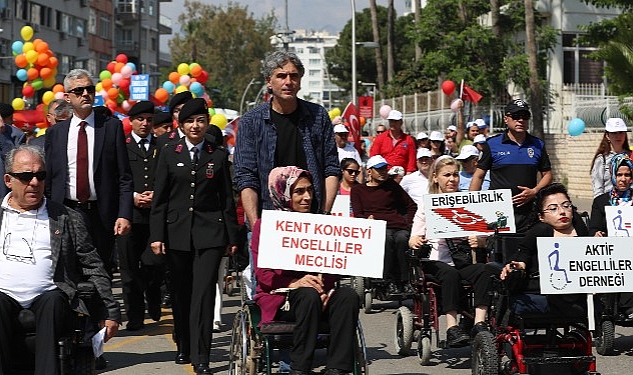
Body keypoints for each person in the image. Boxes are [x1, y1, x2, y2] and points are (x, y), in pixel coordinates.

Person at [0, 145, 120, 375]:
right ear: (8, 179)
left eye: (40, 175)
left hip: (49, 296)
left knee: (54, 301)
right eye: (26, 176)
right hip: (3, 296)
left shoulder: (65, 217)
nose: (34, 182)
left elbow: (92, 264)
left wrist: (109, 312)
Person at [149, 98, 239, 374]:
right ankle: (184, 344)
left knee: (202, 295)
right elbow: (160, 199)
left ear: (207, 122)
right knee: (181, 294)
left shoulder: (218, 154)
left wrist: (232, 238)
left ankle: (202, 356)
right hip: (176, 233)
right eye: (190, 121)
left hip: (210, 234)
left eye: (200, 120)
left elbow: (226, 200)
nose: (195, 126)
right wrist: (157, 235)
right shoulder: (168, 151)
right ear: (181, 125)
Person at [252, 166, 360, 375]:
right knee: (307, 295)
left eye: (310, 190)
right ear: (283, 193)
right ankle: (300, 368)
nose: (307, 197)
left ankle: (337, 367)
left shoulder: (320, 224)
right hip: (282, 296)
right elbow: (263, 276)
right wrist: (294, 283)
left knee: (347, 296)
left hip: (318, 294)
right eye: (299, 191)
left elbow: (331, 269)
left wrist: (324, 290)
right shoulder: (265, 227)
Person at [44, 69, 133, 279]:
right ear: (67, 97)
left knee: (100, 273)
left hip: (101, 214)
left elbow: (124, 176)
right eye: (79, 90)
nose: (85, 94)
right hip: (66, 211)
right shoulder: (56, 133)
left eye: (89, 89)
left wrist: (124, 213)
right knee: (68, 271)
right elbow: (50, 178)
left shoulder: (111, 127)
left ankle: (99, 311)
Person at [235, 50, 340, 226]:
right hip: (267, 219)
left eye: (294, 76)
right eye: (281, 76)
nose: (288, 82)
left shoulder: (318, 116)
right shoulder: (250, 121)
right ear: (269, 81)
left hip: (311, 218)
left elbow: (331, 169)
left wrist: (324, 213)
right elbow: (246, 177)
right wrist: (256, 226)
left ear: (300, 81)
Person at [409, 156, 493, 345]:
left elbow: (484, 235)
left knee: (485, 271)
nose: (452, 179)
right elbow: (413, 237)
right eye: (446, 175)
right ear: (435, 178)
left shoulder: (467, 202)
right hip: (435, 259)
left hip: (461, 258)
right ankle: (452, 327)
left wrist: (479, 240)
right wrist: (416, 240)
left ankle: (479, 323)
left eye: (455, 174)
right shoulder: (427, 204)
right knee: (450, 274)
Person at [500, 183, 590, 317]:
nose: (562, 211)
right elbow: (524, 252)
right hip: (545, 288)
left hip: (579, 289)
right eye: (553, 208)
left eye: (566, 206)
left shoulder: (580, 229)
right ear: (541, 217)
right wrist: (519, 264)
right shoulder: (542, 230)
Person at [470, 99, 553, 233]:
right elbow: (479, 176)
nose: (520, 120)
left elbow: (548, 175)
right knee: (500, 250)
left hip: (528, 212)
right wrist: (473, 205)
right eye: (515, 116)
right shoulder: (492, 144)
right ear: (506, 119)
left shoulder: (538, 144)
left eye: (525, 117)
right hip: (498, 211)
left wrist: (534, 191)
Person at [117, 101, 164, 331]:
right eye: (140, 119)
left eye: (149, 120)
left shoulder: (161, 145)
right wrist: (133, 197)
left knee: (153, 262)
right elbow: (117, 179)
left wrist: (156, 194)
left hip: (154, 216)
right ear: (132, 121)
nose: (145, 124)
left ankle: (153, 292)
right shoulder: (123, 147)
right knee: (128, 269)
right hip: (129, 216)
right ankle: (134, 315)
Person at [351, 155, 417, 294]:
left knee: (402, 239)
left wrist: (407, 221)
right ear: (369, 171)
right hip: (377, 227)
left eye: (384, 169)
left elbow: (411, 206)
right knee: (386, 240)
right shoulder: (358, 190)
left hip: (397, 225)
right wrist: (367, 220)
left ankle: (405, 281)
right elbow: (358, 214)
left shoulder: (392, 186)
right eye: (379, 169)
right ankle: (388, 281)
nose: (383, 172)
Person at [588, 154, 633, 317]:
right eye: (619, 174)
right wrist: (596, 233)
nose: (623, 179)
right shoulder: (601, 201)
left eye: (627, 175)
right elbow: (593, 227)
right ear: (613, 175)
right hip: (609, 250)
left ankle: (628, 306)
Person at [590, 117, 630, 198]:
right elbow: (597, 188)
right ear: (607, 136)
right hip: (609, 205)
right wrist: (602, 206)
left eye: (621, 132)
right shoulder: (601, 159)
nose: (618, 136)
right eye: (614, 133)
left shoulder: (631, 156)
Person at [369, 109, 417, 174]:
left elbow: (411, 161)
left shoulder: (408, 140)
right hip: (383, 174)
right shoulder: (380, 138)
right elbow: (374, 157)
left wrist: (408, 175)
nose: (393, 123)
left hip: (401, 176)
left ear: (401, 122)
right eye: (391, 121)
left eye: (395, 121)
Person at [0, 103, 26, 198]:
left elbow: (13, 164)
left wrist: (2, 135)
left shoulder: (15, 136)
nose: (12, 121)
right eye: (10, 118)